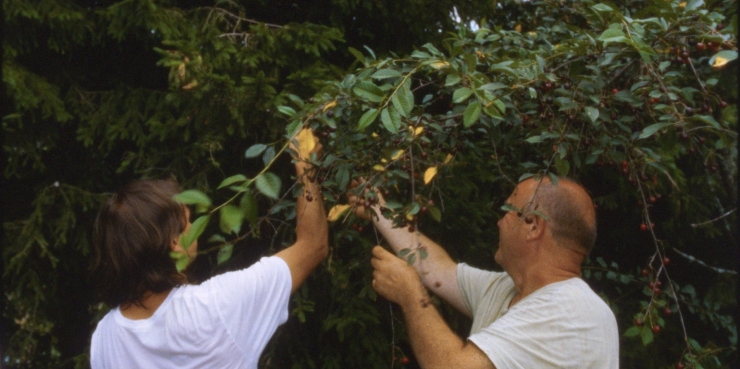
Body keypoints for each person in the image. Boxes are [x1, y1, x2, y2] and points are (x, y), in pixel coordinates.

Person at [90, 130, 328, 369]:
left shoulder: (105, 337)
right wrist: (306, 169)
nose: (195, 227)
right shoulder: (217, 305)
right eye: (188, 221)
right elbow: (312, 245)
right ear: (174, 242)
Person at [352, 176, 619, 369]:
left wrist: (411, 296)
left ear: (532, 225)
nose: (498, 222)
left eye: (507, 211)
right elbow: (437, 270)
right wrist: (380, 211)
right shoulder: (510, 289)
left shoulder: (571, 313)